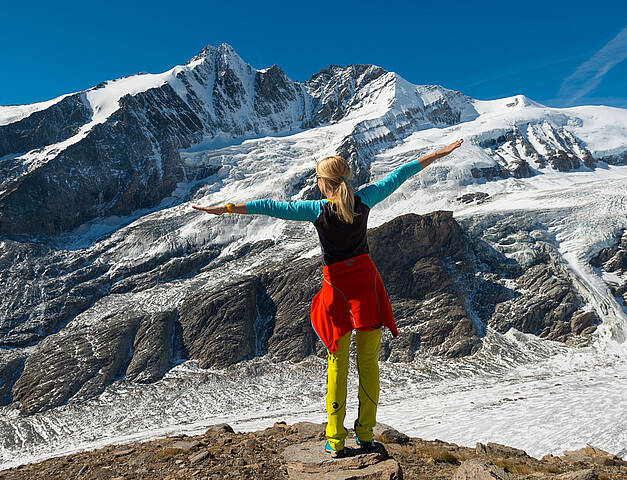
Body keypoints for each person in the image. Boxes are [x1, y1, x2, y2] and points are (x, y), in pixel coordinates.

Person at [191, 138, 464, 458]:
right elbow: (399, 175)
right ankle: (365, 434)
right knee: (368, 365)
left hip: (337, 292)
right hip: (366, 288)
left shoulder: (316, 210)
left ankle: (335, 440)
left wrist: (222, 209)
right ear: (344, 179)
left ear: (323, 183)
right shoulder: (364, 200)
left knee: (337, 366)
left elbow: (270, 207)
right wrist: (436, 153)